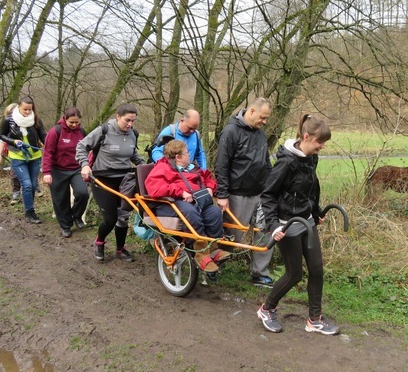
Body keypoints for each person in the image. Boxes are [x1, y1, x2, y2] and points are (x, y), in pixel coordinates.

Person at [256, 114, 339, 335]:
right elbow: (268, 194)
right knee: (294, 275)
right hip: (287, 223)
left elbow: (311, 187)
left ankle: (314, 319)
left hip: (307, 220)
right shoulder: (287, 162)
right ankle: (267, 309)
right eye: (320, 142)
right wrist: (273, 225)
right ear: (306, 136)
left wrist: (316, 210)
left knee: (317, 270)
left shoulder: (311, 157)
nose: (322, 146)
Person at [145, 140, 230, 273]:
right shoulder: (162, 168)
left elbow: (208, 178)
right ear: (178, 157)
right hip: (171, 204)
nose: (190, 155)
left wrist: (209, 188)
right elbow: (154, 188)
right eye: (187, 153)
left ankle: (213, 248)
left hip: (197, 201)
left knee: (214, 212)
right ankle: (200, 253)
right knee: (191, 212)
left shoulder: (192, 167)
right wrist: (180, 191)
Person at [214, 98, 274, 287]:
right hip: (237, 193)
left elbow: (266, 163)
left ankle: (259, 272)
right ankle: (214, 267)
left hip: (261, 193)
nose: (264, 122)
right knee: (233, 236)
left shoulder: (261, 135)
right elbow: (221, 166)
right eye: (262, 117)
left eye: (266, 119)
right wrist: (222, 195)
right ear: (252, 111)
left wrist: (273, 187)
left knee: (265, 231)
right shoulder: (231, 132)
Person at [76, 103, 145, 262]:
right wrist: (85, 165)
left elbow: (133, 154)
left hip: (125, 180)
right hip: (102, 179)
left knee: (123, 217)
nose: (130, 124)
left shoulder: (133, 133)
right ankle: (99, 242)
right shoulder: (103, 131)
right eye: (127, 120)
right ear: (118, 117)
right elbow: (81, 147)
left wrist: (146, 165)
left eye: (133, 121)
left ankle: (120, 249)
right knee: (110, 218)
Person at [42, 107, 90, 238]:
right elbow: (47, 153)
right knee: (61, 199)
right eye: (71, 122)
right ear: (65, 119)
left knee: (82, 193)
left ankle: (77, 215)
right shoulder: (55, 131)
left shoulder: (82, 132)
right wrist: (46, 172)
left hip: (76, 169)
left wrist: (88, 165)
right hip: (57, 169)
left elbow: (87, 151)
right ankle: (65, 226)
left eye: (77, 122)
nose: (74, 125)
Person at [0, 96, 47, 224]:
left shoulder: (36, 120)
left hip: (35, 156)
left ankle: (30, 209)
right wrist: (13, 141)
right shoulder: (9, 120)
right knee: (26, 184)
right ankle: (30, 212)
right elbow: (1, 135)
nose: (27, 112)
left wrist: (51, 148)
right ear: (19, 107)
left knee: (32, 185)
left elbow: (44, 136)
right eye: (25, 109)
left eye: (29, 109)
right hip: (17, 156)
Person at [0, 103, 21, 204]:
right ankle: (16, 193)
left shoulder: (26, 122)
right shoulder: (7, 124)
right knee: (14, 173)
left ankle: (34, 190)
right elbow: (2, 139)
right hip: (13, 151)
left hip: (27, 152)